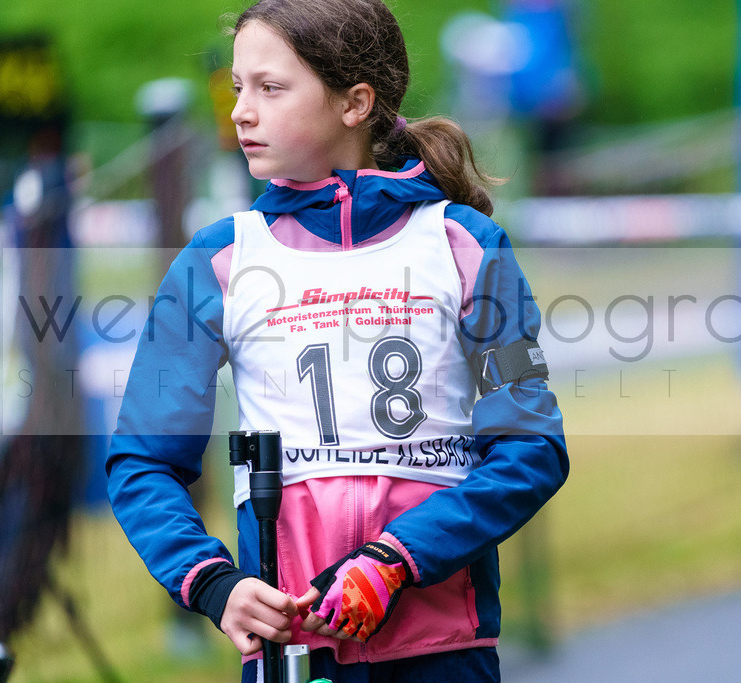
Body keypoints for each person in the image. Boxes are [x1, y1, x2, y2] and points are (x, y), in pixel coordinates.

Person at [105, 1, 568, 681]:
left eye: (270, 87)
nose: (240, 112)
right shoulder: (217, 261)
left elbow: (531, 448)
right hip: (294, 652)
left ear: (354, 103)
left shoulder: (465, 245)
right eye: (239, 87)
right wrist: (214, 582)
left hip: (442, 652)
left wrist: (395, 560)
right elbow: (141, 462)